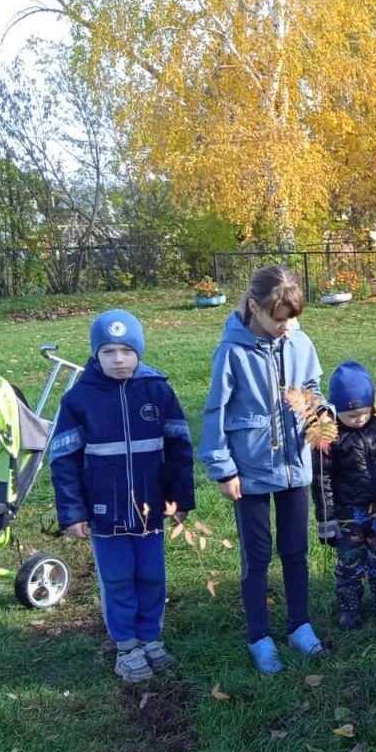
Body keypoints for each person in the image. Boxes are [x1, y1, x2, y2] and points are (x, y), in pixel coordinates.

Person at [50, 310, 195, 683]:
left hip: (150, 511)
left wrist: (179, 501)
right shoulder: (79, 398)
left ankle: (149, 638)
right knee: (116, 578)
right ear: (96, 354)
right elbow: (64, 459)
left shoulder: (158, 390)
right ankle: (126, 646)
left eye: (126, 350)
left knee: (151, 575)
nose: (118, 359)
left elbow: (179, 450)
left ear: (139, 351)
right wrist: (73, 512)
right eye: (109, 351)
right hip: (104, 512)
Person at [201, 265, 327, 674]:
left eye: (294, 318)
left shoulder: (301, 342)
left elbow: (313, 391)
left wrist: (320, 415)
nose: (287, 326)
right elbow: (214, 411)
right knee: (257, 557)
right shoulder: (231, 352)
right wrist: (223, 469)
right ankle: (259, 635)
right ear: (254, 308)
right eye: (279, 318)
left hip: (294, 466)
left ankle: (299, 625)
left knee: (296, 551)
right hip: (250, 470)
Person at [313, 360, 376, 629]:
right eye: (351, 416)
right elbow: (321, 478)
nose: (358, 420)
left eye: (363, 413)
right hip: (348, 512)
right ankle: (350, 608)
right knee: (349, 561)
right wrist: (326, 519)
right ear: (336, 410)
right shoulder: (330, 436)